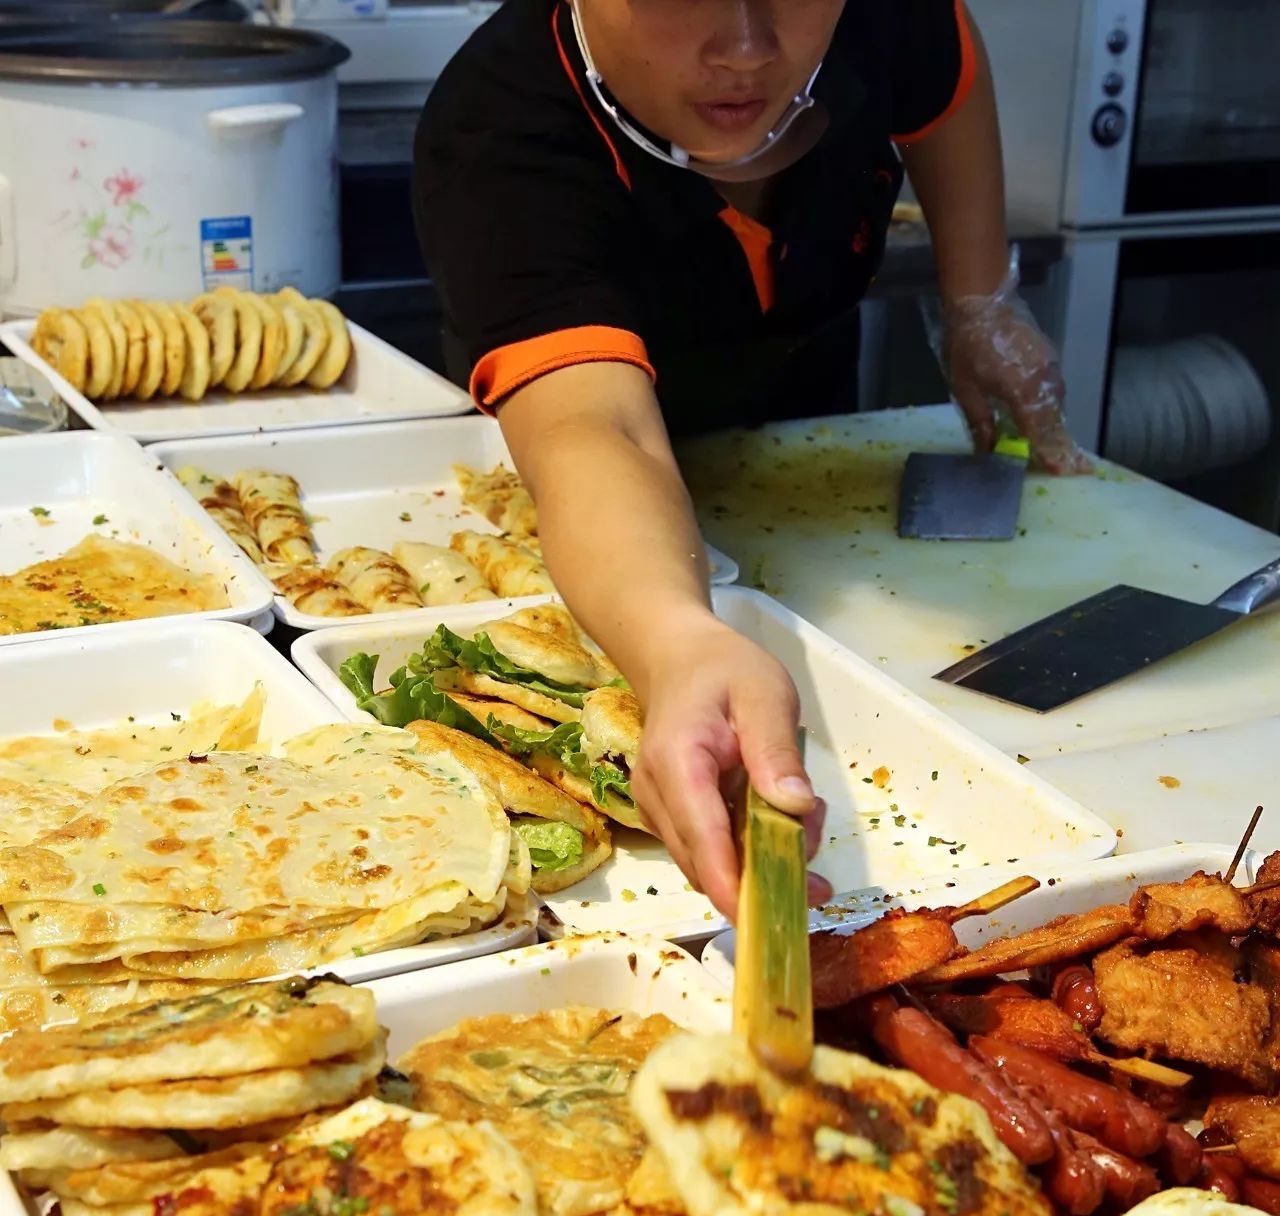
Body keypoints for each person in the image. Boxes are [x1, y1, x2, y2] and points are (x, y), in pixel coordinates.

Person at [415, 0, 1084, 917]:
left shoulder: (880, 17)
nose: (744, 49)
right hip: (599, 485)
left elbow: (948, 67)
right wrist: (677, 642)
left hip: (800, 447)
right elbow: (595, 426)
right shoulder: (498, 129)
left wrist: (978, 295)